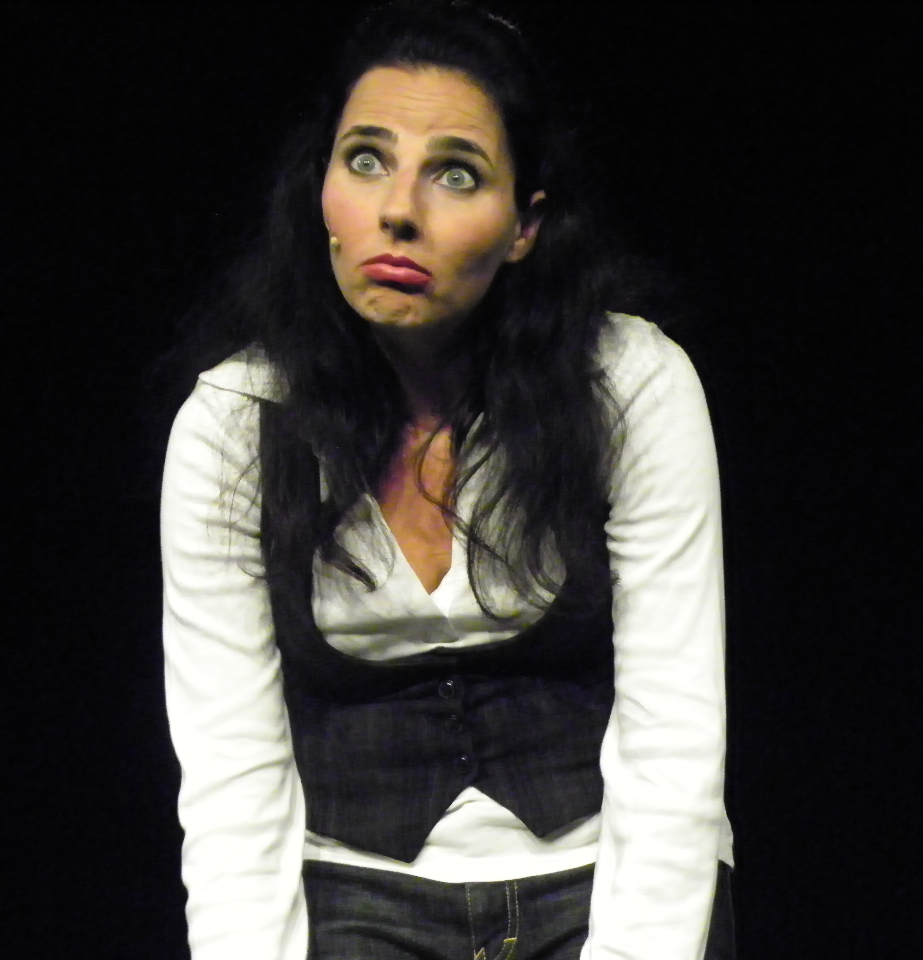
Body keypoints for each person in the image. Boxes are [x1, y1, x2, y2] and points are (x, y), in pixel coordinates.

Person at [157, 1, 734, 957]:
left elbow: (674, 728)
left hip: (604, 873)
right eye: (366, 160)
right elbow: (229, 770)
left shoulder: (628, 385)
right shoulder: (235, 422)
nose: (399, 210)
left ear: (524, 226)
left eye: (455, 173)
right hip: (348, 889)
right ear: (320, 190)